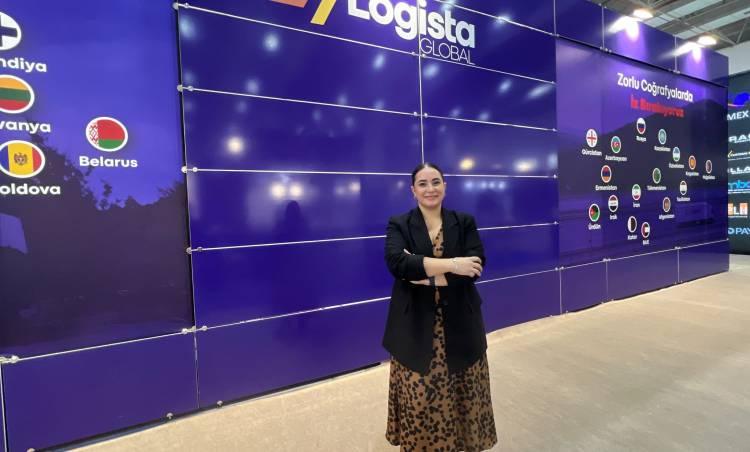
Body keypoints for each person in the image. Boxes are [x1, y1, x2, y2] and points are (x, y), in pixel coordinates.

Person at [383, 162, 498, 451]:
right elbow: (398, 264)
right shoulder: (399, 224)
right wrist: (454, 264)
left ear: (445, 186)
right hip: (415, 327)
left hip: (461, 325)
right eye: (422, 183)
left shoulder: (464, 221)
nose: (430, 188)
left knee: (463, 393)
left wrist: (422, 274)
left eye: (436, 182)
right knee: (421, 399)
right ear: (413, 190)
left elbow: (474, 268)